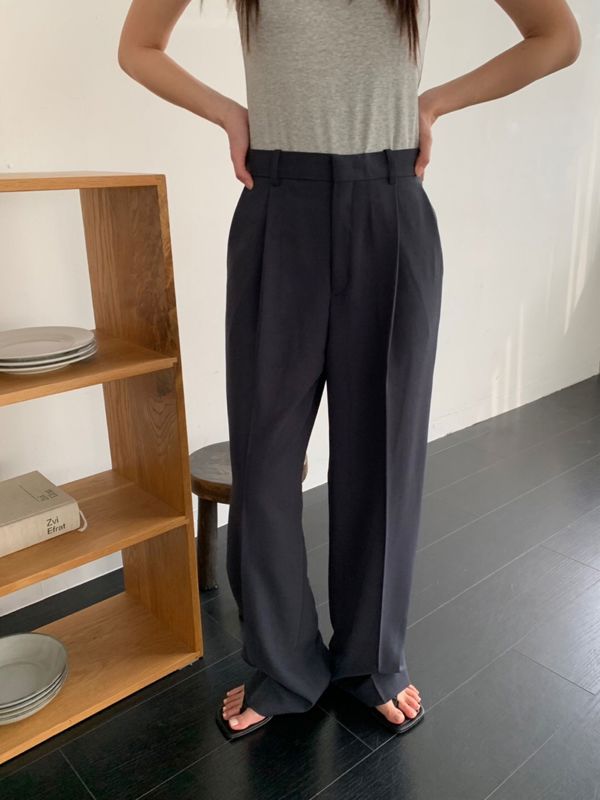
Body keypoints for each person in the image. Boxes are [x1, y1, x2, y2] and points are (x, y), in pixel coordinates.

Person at [118, 0, 581, 739]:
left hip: (388, 210)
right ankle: (283, 666)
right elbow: (139, 46)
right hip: (278, 207)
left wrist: (434, 102)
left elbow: (556, 37)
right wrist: (230, 115)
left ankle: (371, 663)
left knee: (383, 457)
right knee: (264, 461)